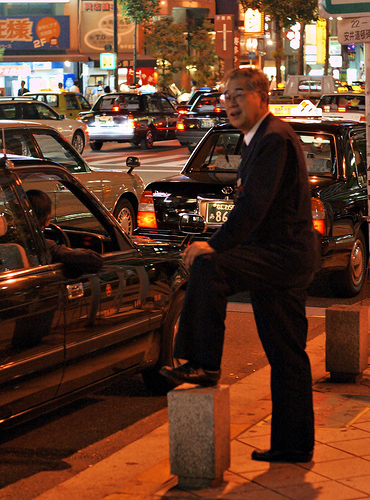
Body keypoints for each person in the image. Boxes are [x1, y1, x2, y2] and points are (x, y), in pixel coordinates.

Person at [160, 68, 320, 464]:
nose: (230, 103)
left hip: (281, 255)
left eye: (239, 94)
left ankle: (202, 363)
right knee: (286, 355)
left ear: (262, 97)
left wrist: (213, 245)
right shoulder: (258, 138)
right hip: (280, 255)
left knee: (209, 268)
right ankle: (292, 444)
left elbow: (253, 207)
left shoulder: (273, 138)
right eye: (226, 95)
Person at [26, 189, 103, 275]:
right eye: (47, 219)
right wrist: (72, 251)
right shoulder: (43, 246)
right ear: (38, 219)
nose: (47, 224)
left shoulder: (17, 242)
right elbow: (95, 261)